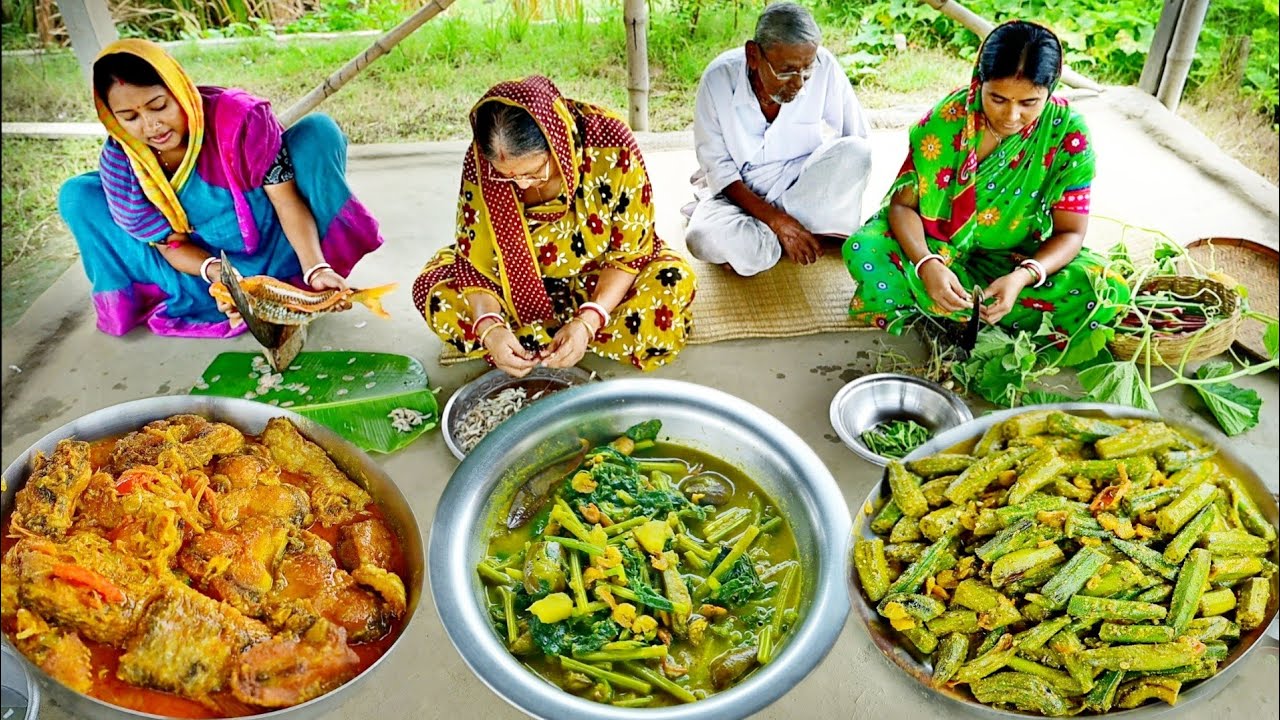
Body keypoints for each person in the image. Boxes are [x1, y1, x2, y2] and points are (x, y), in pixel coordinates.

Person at [842, 20, 1128, 362]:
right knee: (865, 248)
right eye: (997, 98)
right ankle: (961, 308)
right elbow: (902, 208)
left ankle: (954, 312)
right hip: (938, 247)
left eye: (1029, 102)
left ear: (1050, 90)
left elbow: (1071, 233)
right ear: (980, 81)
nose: (1011, 115)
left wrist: (1023, 277)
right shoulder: (949, 120)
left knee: (1104, 287)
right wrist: (927, 264)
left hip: (1015, 258)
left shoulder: (1067, 133)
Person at [59, 39, 383, 338]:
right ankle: (220, 299)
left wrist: (315, 267)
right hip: (199, 267)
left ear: (180, 91)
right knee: (78, 195)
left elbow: (286, 202)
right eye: (130, 117)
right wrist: (220, 275)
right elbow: (171, 245)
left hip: (279, 244)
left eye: (158, 106)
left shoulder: (240, 122)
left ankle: (299, 279)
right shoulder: (123, 163)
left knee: (318, 132)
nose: (151, 126)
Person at [413, 76, 696, 377]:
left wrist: (588, 320)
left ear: (557, 143)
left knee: (670, 283)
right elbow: (475, 258)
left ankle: (554, 337)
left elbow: (630, 252)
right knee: (433, 291)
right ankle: (531, 340)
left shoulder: (611, 144)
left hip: (600, 277)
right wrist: (490, 327)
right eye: (507, 177)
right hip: (514, 283)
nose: (522, 185)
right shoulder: (482, 164)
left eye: (535, 172)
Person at [684, 1, 872, 276]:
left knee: (858, 152)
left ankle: (783, 234)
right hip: (739, 196)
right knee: (700, 237)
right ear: (753, 55)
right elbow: (720, 171)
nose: (798, 83)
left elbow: (856, 137)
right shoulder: (718, 80)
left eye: (807, 71)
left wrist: (834, 189)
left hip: (800, 185)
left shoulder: (825, 66)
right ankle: (787, 234)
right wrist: (777, 220)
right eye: (786, 71)